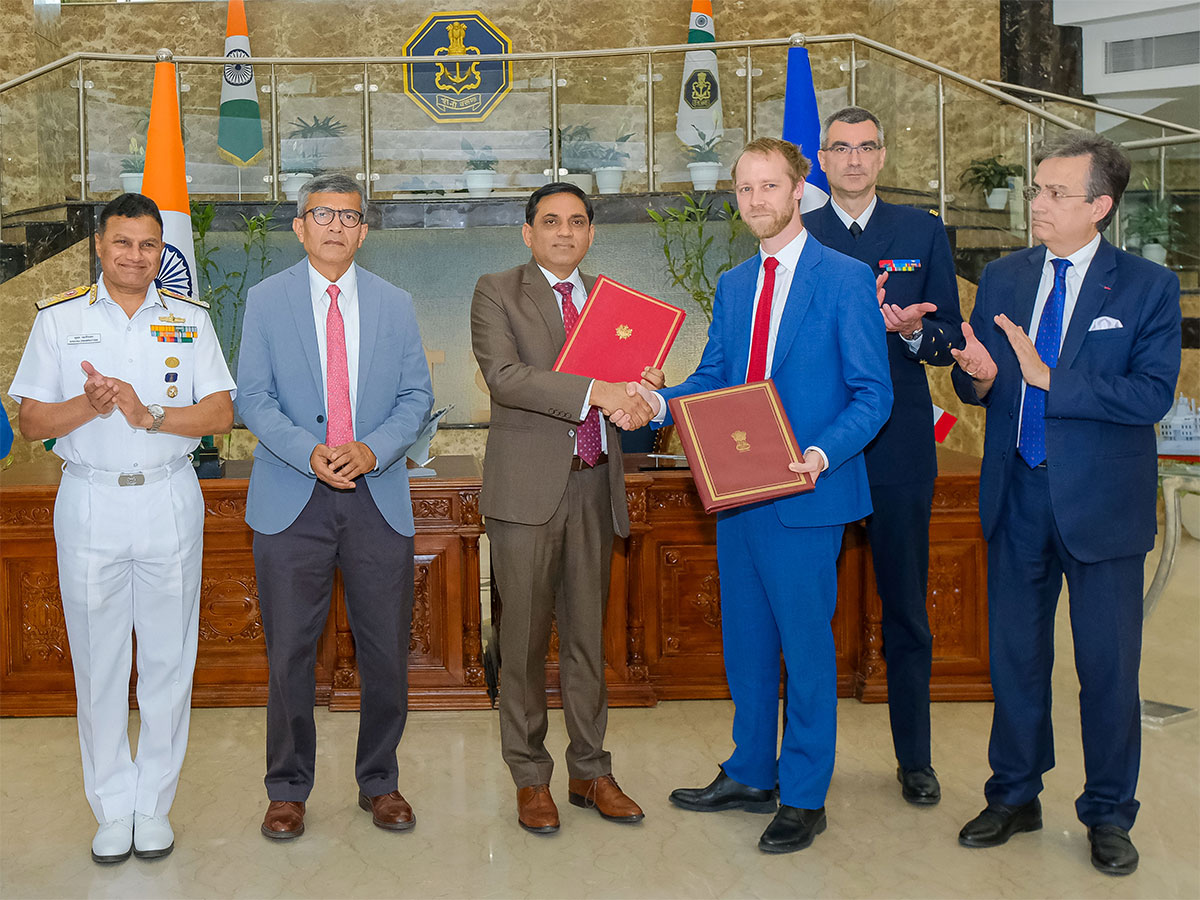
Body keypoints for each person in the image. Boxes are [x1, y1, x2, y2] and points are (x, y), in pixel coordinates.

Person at [639, 138, 892, 853]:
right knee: (746, 641)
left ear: (798, 190)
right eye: (745, 188)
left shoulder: (845, 279)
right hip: (737, 492)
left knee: (806, 652)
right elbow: (714, 379)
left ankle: (804, 793)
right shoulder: (734, 284)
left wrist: (822, 454)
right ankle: (751, 771)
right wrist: (656, 401)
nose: (756, 200)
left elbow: (873, 395)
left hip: (808, 494)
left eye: (769, 186)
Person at [950, 131, 1180, 876]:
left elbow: (1152, 395)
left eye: (1056, 193)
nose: (1038, 205)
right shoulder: (1005, 276)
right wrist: (981, 377)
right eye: (1036, 190)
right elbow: (980, 382)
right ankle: (1014, 795)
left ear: (1100, 206)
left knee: (1107, 668)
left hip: (1102, 506)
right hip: (1017, 491)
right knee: (1015, 659)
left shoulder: (1146, 286)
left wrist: (1053, 378)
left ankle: (1109, 813)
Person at [7, 192, 236, 864]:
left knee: (169, 661)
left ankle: (152, 805)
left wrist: (148, 415)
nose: (135, 256)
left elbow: (221, 414)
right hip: (90, 501)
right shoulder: (60, 320)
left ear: (162, 249)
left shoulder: (188, 319)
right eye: (122, 242)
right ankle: (111, 806)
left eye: (148, 244)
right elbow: (31, 422)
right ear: (99, 247)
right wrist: (90, 404)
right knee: (98, 661)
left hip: (168, 497)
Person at [236, 174, 433, 841]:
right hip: (293, 498)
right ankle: (287, 789)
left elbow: (415, 397)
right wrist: (307, 450)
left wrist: (372, 450)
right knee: (290, 652)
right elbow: (253, 397)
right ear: (300, 226)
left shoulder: (395, 303)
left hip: (377, 496)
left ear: (364, 231)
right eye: (322, 214)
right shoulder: (266, 300)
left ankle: (380, 781)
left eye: (349, 217)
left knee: (385, 651)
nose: (335, 227)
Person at [470, 182, 656, 834]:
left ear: (591, 233)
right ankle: (530, 777)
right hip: (526, 494)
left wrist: (643, 387)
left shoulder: (612, 302)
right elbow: (506, 378)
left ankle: (591, 771)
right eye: (551, 221)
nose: (564, 232)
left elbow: (630, 387)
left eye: (577, 221)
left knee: (586, 642)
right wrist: (601, 390)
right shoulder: (497, 291)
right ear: (529, 233)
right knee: (521, 644)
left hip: (594, 486)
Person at [805, 105, 963, 805]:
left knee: (905, 607)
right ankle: (802, 762)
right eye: (841, 148)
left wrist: (910, 335)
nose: (854, 160)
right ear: (821, 159)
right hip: (821, 445)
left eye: (866, 147)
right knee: (807, 610)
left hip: (898, 444)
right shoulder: (799, 233)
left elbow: (950, 336)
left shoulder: (921, 231)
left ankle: (916, 760)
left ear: (882, 155)